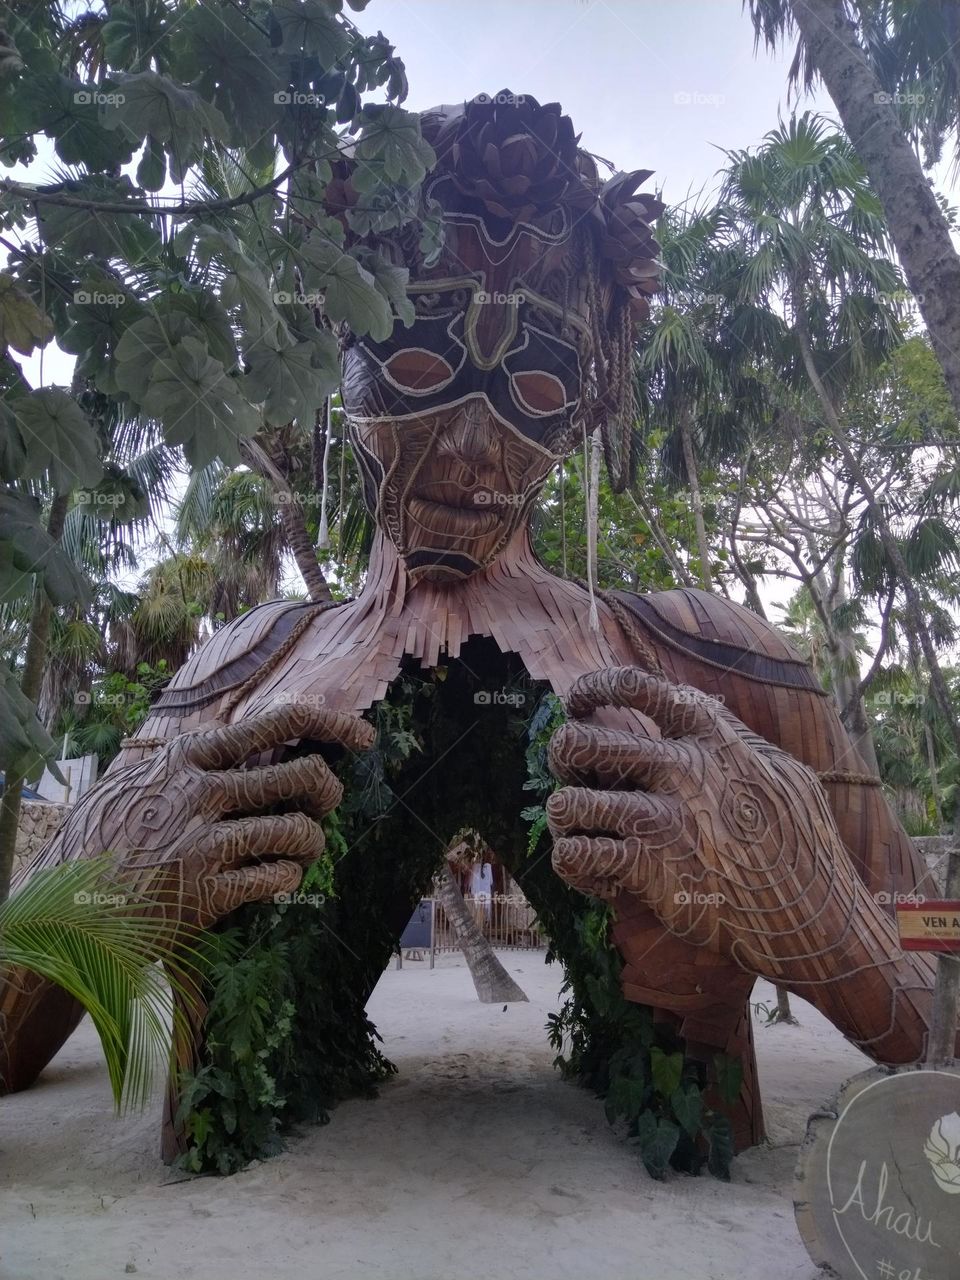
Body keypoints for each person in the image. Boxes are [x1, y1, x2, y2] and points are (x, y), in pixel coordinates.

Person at [1, 93, 951, 1152]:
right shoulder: (243, 668)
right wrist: (102, 873)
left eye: (532, 380)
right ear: (341, 359)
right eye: (417, 363)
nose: (469, 447)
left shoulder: (725, 665)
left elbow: (932, 1008)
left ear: (585, 397)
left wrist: (811, 905)